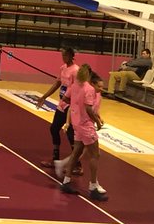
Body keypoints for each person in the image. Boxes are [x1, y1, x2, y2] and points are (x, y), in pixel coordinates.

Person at [55, 66, 108, 201]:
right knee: (95, 154)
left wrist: (75, 106)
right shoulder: (89, 89)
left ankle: (66, 181)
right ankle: (93, 186)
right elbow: (89, 109)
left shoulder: (74, 86)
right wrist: (97, 121)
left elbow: (65, 99)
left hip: (76, 123)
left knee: (77, 151)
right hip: (86, 125)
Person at [35, 47, 78, 169]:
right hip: (61, 105)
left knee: (70, 134)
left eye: (64, 56)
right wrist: (44, 96)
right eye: (62, 56)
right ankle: (55, 158)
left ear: (70, 56)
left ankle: (77, 164)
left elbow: (77, 89)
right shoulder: (63, 68)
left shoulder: (75, 71)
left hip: (70, 107)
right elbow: (58, 83)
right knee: (54, 128)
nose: (63, 58)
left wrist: (73, 102)